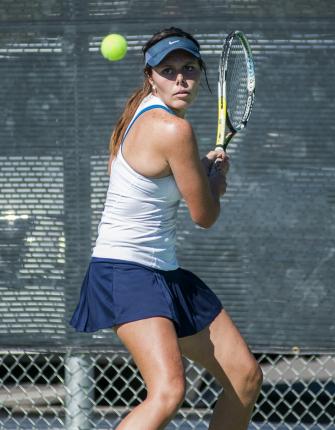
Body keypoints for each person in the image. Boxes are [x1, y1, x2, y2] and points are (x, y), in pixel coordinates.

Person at [69, 27, 262, 430]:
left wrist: (204, 175)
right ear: (150, 75)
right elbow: (205, 216)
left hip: (163, 272)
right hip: (127, 272)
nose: (180, 79)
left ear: (200, 72)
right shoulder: (173, 129)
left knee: (244, 378)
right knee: (169, 392)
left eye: (189, 68)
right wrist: (216, 184)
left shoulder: (139, 112)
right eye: (168, 70)